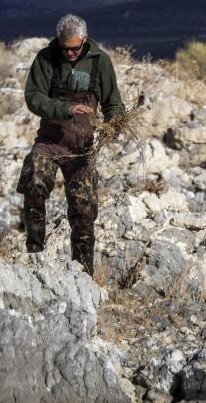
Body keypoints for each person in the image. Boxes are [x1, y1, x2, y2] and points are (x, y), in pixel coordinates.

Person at [16, 14, 125, 275]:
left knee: (84, 210)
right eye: (65, 48)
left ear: (85, 40)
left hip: (82, 149)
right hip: (50, 143)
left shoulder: (100, 63)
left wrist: (114, 126)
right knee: (33, 181)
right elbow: (33, 98)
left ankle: (83, 273)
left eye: (75, 48)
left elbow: (113, 102)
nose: (70, 53)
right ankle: (34, 256)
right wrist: (64, 108)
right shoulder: (46, 58)